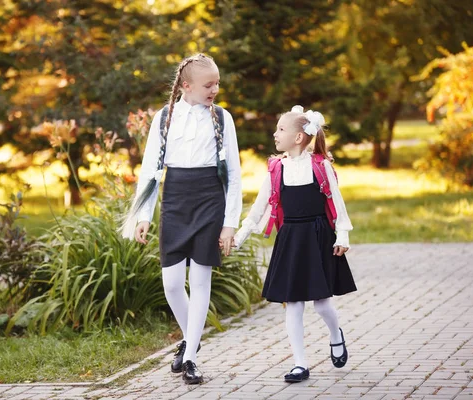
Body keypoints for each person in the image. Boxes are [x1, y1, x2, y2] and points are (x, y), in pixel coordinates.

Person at [121, 53, 242, 384]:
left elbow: (233, 172)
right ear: (186, 86)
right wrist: (142, 215)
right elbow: (149, 171)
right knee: (172, 283)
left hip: (209, 200)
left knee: (201, 280)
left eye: (217, 82)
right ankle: (193, 337)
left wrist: (230, 222)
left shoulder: (222, 117)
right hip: (175, 199)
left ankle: (189, 358)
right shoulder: (165, 117)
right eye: (208, 84)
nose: (215, 89)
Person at [233, 105, 356, 383]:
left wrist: (343, 235)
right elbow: (259, 206)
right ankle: (300, 363)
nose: (275, 133)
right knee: (294, 304)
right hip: (290, 239)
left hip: (317, 237)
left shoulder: (320, 166)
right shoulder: (277, 168)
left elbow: (336, 202)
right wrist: (241, 234)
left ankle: (336, 335)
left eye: (281, 129)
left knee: (322, 303)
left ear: (299, 137)